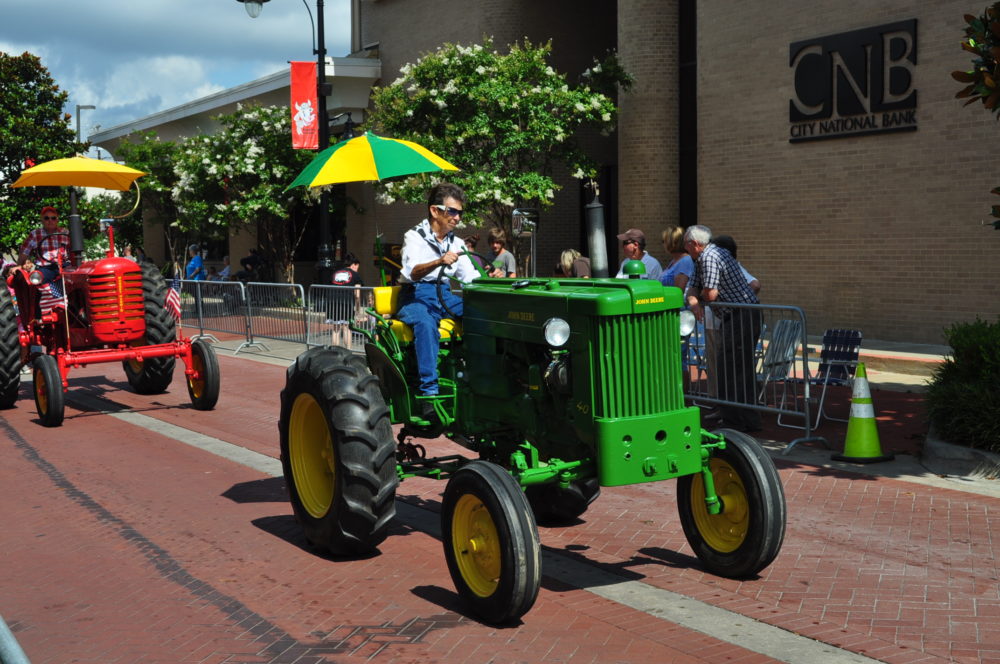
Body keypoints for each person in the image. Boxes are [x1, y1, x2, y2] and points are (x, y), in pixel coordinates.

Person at [397, 182, 480, 411]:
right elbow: (412, 271)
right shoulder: (414, 236)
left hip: (444, 293)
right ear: (435, 210)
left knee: (479, 315)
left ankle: (476, 376)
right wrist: (439, 261)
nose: (457, 218)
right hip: (415, 294)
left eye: (460, 213)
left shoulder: (457, 242)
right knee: (425, 323)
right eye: (452, 211)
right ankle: (429, 392)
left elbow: (470, 278)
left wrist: (491, 279)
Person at [684, 224, 762, 433]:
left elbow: (710, 294)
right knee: (737, 368)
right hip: (737, 315)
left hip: (740, 316)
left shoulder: (710, 257)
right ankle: (747, 420)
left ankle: (735, 422)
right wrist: (693, 300)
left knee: (730, 369)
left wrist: (696, 298)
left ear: (694, 244)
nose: (686, 248)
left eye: (687, 244)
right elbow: (692, 286)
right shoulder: (704, 257)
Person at [698, 234, 760, 416]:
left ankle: (733, 412)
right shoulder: (715, 262)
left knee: (730, 369)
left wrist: (734, 301)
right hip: (722, 320)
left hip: (730, 319)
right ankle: (726, 408)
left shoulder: (723, 263)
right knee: (722, 368)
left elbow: (755, 283)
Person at [18, 206, 70, 287]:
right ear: (42, 220)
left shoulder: (65, 232)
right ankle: (44, 298)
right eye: (46, 218)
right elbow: (24, 252)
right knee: (37, 279)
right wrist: (19, 266)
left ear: (57, 220)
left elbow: (73, 250)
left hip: (64, 265)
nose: (50, 220)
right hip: (45, 268)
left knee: (77, 276)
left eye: (53, 218)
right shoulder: (35, 234)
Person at [329, 253, 367, 347]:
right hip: (346, 303)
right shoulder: (355, 275)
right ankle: (348, 352)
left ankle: (335, 353)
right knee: (347, 328)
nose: (358, 269)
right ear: (354, 264)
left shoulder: (335, 273)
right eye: (358, 266)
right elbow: (357, 295)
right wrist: (358, 310)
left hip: (332, 302)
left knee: (335, 329)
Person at [659, 226, 694, 291]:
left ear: (672, 242)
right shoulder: (674, 260)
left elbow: (678, 290)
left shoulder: (685, 261)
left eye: (664, 241)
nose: (663, 244)